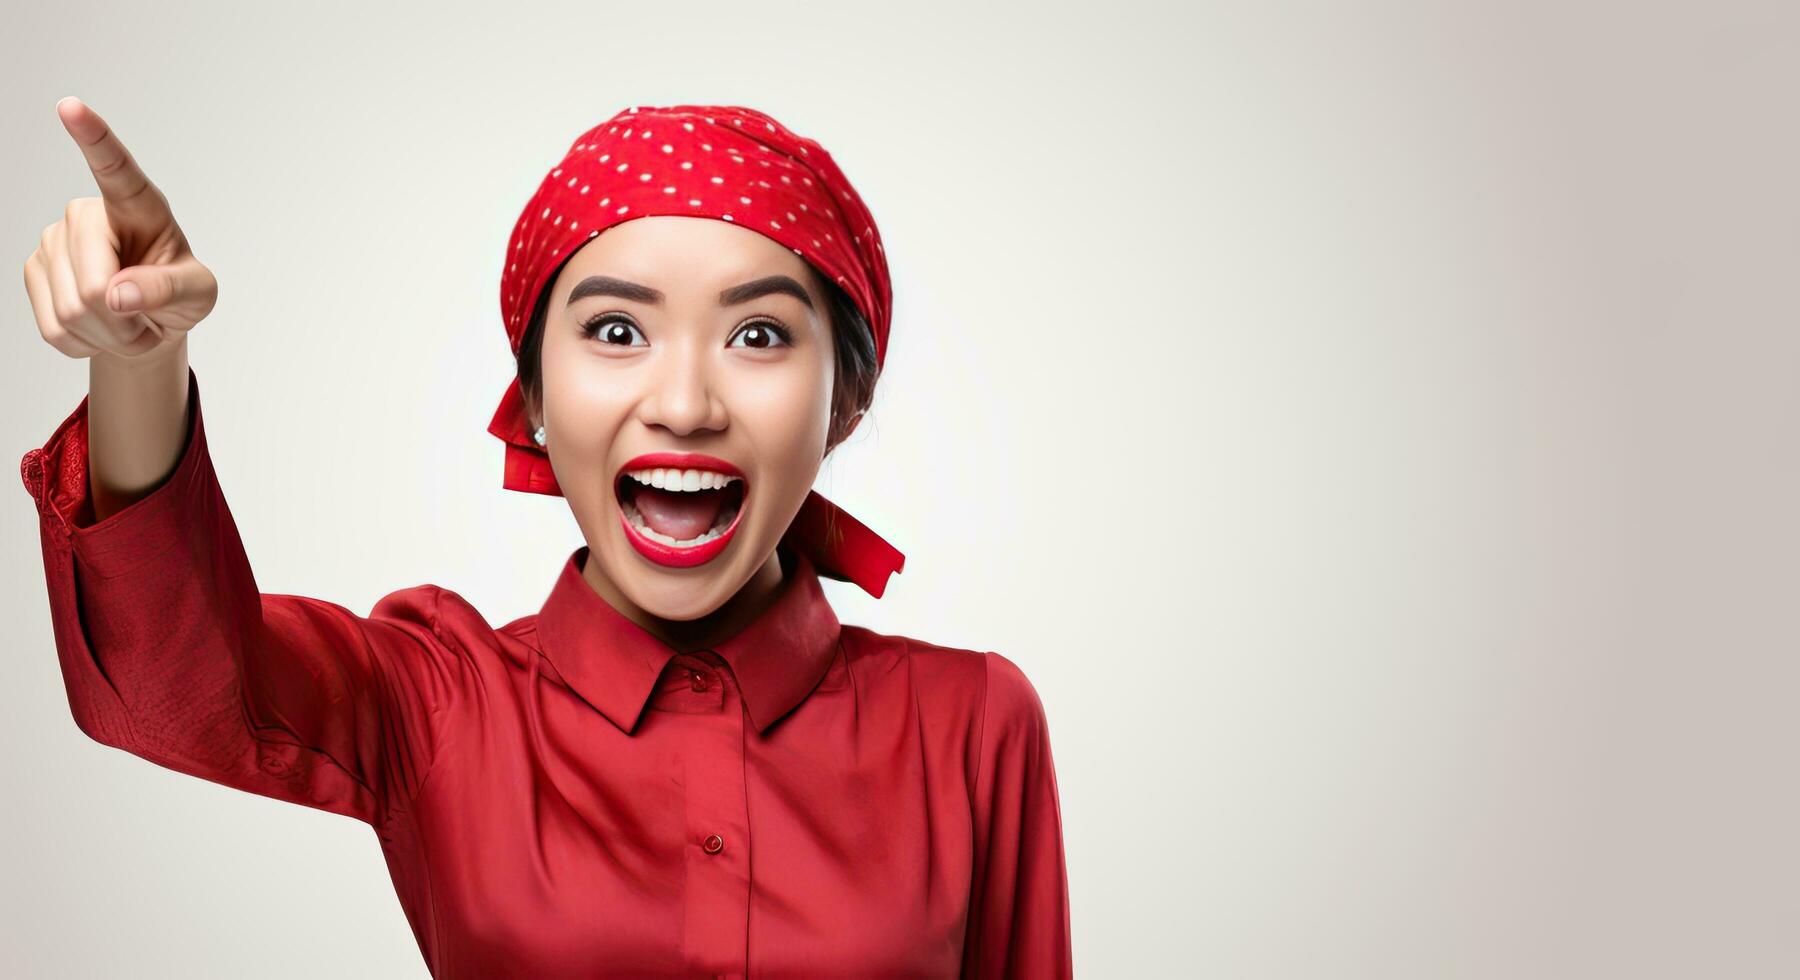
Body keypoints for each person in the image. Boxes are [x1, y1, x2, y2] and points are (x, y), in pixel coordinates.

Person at [19, 96, 1071, 978]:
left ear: (843, 406)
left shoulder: (972, 723)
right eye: (616, 330)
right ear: (529, 399)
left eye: (759, 334)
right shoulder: (436, 698)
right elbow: (164, 693)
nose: (685, 401)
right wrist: (139, 363)